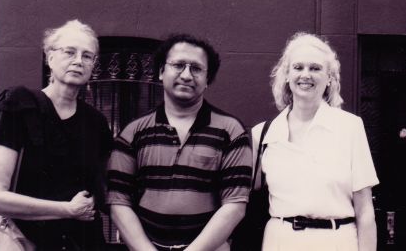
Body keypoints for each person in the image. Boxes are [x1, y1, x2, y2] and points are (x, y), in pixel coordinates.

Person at [106, 34, 252, 251]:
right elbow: (118, 201)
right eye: (178, 65)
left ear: (207, 79)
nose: (186, 75)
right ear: (161, 71)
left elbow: (235, 206)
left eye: (196, 68)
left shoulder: (231, 131)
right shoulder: (133, 132)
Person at [0, 19, 113, 250]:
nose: (78, 61)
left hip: (84, 243)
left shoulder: (96, 122)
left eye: (87, 56)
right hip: (27, 242)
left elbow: (102, 189)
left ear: (94, 64)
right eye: (70, 52)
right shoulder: (21, 105)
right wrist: (66, 209)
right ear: (50, 58)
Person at [252, 32, 379, 251]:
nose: (306, 75)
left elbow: (365, 211)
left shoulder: (350, 127)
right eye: (298, 67)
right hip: (279, 242)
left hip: (336, 242)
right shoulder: (263, 134)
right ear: (286, 75)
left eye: (315, 68)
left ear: (330, 77)